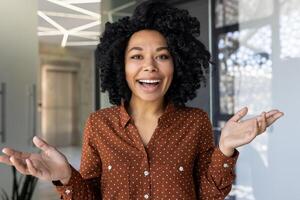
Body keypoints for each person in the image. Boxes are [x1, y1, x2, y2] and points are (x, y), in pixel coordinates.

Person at [0, 1, 283, 199]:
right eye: (137, 56)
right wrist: (64, 176)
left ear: (177, 64)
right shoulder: (99, 125)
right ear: (120, 65)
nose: (150, 66)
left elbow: (209, 195)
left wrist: (225, 148)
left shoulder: (195, 122)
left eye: (162, 56)